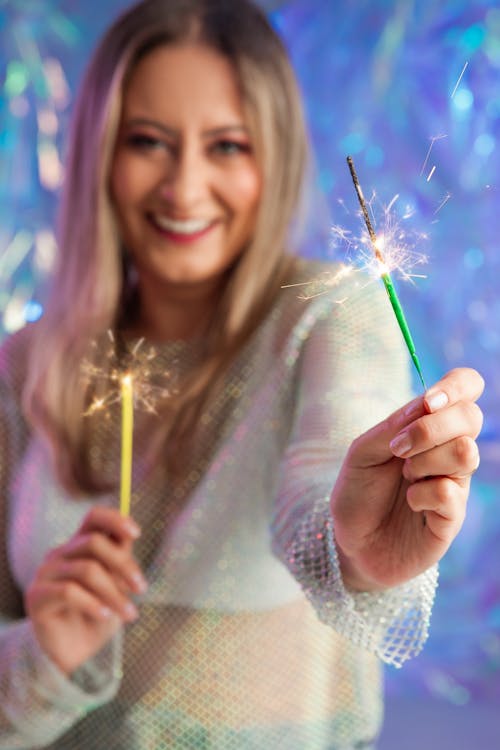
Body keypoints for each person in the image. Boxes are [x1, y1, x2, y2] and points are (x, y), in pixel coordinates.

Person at [0, 0, 484, 748]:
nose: (184, 188)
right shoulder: (24, 365)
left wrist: (355, 553)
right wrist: (43, 656)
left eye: (226, 146)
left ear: (275, 154)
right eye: (148, 141)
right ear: (99, 151)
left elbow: (317, 511)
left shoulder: (329, 318)